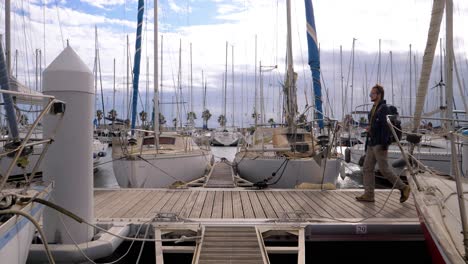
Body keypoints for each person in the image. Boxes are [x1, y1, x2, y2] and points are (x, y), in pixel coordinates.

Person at [356, 84, 411, 203]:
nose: (370, 95)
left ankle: (404, 187)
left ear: (379, 95)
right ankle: (369, 194)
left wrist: (385, 145)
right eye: (370, 93)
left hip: (379, 144)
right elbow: (374, 126)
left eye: (373, 93)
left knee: (384, 169)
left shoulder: (383, 108)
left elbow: (385, 128)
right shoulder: (374, 108)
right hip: (372, 143)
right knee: (367, 168)